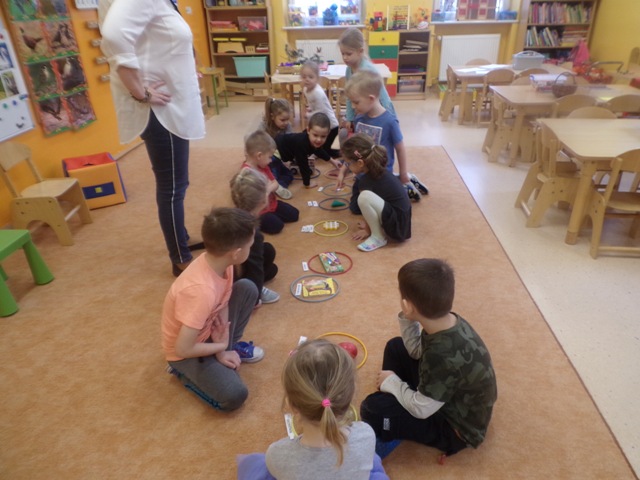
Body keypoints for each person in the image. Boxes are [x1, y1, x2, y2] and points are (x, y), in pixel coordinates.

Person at [99, 0, 205, 277]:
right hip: (162, 113)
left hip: (171, 109)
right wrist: (140, 91)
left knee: (178, 182)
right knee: (172, 187)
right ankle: (180, 258)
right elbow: (113, 34)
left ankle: (181, 238)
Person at [360, 258, 497, 460]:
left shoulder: (442, 356)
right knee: (395, 347)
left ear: (407, 305)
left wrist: (393, 383)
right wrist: (407, 317)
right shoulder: (446, 322)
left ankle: (391, 426)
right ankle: (397, 406)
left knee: (372, 408)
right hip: (442, 393)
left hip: (454, 427)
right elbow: (417, 351)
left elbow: (421, 409)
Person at [162, 207, 265, 412]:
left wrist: (222, 348)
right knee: (235, 395)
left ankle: (224, 353)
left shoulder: (222, 263)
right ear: (236, 253)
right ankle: (182, 373)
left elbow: (223, 301)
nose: (252, 248)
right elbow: (182, 349)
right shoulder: (201, 292)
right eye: (250, 245)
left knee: (247, 288)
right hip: (185, 353)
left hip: (209, 330)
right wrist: (221, 346)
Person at [265, 339, 387, 480]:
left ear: (291, 405)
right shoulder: (366, 433)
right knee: (374, 461)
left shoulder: (276, 454)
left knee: (260, 466)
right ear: (352, 394)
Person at [338, 70, 428, 201]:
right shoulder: (359, 119)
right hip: (363, 174)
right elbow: (355, 149)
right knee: (356, 206)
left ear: (371, 99)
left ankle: (404, 182)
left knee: (378, 203)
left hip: (381, 175)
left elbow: (400, 148)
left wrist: (403, 174)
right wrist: (344, 169)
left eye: (356, 102)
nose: (352, 106)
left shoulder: (390, 121)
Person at [341, 134, 411, 252]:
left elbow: (367, 203)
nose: (348, 166)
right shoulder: (378, 171)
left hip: (398, 228)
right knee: (366, 198)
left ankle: (378, 237)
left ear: (360, 163)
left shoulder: (365, 181)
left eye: (348, 163)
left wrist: (367, 230)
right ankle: (377, 231)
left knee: (363, 198)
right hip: (402, 221)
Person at [229, 168, 280, 306]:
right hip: (235, 277)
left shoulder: (232, 215)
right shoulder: (252, 232)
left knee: (269, 257)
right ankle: (253, 292)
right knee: (265, 260)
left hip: (231, 269)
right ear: (263, 201)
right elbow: (255, 266)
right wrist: (255, 299)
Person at [338, 27, 395, 135]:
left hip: (378, 113)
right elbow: (350, 96)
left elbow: (382, 97)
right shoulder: (349, 70)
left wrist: (391, 118)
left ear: (360, 51)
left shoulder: (367, 70)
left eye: (348, 54)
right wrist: (350, 118)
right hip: (362, 112)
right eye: (342, 54)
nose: (345, 58)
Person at [242, 130, 299, 235]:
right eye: (269, 157)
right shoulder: (246, 173)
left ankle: (272, 216)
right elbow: (249, 200)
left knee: (295, 214)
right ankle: (258, 222)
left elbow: (275, 184)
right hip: (259, 211)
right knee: (277, 226)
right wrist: (268, 189)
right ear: (259, 156)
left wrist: (267, 190)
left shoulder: (264, 167)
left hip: (272, 204)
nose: (271, 160)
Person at [275, 112, 342, 189]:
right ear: (308, 130)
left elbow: (318, 151)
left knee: (287, 175)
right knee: (277, 175)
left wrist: (332, 161)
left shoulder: (311, 141)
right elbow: (303, 164)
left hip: (280, 152)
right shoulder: (302, 143)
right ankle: (275, 187)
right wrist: (307, 183)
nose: (319, 140)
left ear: (328, 133)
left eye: (323, 136)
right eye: (315, 135)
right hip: (274, 152)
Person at [300, 60, 341, 159]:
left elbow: (321, 112)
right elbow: (314, 105)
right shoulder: (306, 89)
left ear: (317, 79)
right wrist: (310, 109)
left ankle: (341, 152)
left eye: (311, 77)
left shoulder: (317, 93)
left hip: (331, 126)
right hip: (321, 123)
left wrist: (308, 115)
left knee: (327, 151)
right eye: (304, 77)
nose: (307, 80)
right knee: (306, 137)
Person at [259, 97, 295, 198]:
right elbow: (257, 145)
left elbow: (291, 143)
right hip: (267, 159)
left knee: (289, 175)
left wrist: (288, 159)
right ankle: (272, 185)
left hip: (280, 158)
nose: (286, 122)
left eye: (287, 119)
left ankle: (278, 187)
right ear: (272, 116)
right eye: (283, 120)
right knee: (273, 172)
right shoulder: (263, 127)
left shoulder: (287, 126)